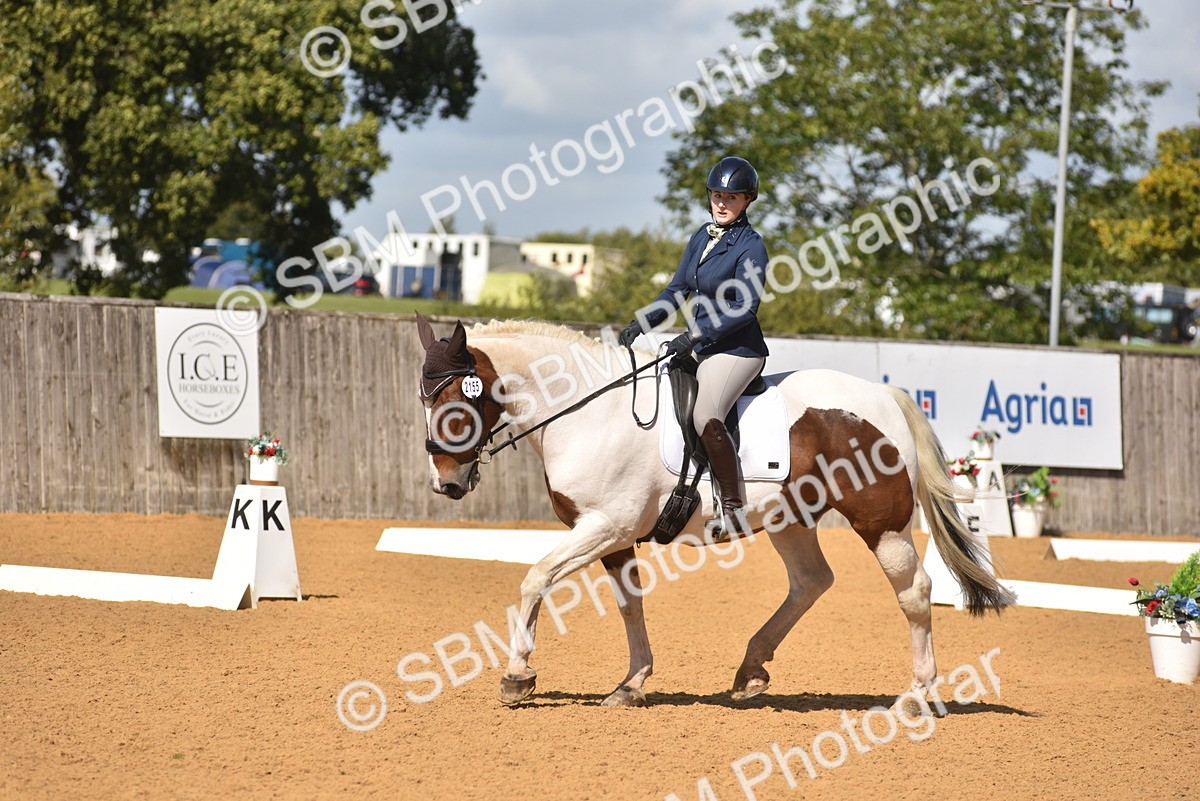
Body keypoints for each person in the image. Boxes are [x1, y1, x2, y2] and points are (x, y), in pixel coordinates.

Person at [618, 156, 769, 539]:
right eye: (717, 195)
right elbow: (677, 290)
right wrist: (641, 322)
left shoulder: (752, 246)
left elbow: (744, 308)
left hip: (737, 351)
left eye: (731, 197)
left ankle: (734, 509)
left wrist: (697, 336)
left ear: (747, 200)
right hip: (702, 345)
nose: (721, 203)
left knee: (705, 414)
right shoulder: (702, 236)